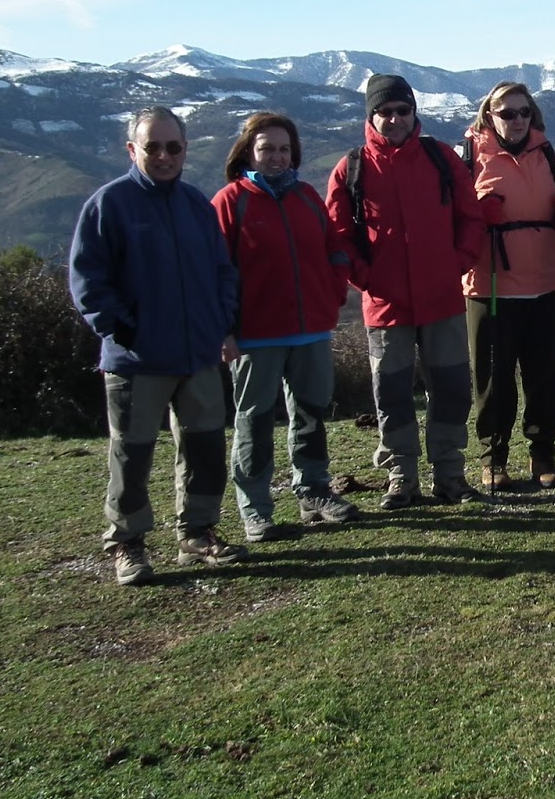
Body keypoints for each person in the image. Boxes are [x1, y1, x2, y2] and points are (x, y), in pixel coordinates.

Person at [69, 106, 246, 585]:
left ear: (185, 149)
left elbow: (222, 271)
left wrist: (219, 323)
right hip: (137, 359)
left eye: (173, 147)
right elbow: (88, 280)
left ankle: (198, 533)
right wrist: (123, 331)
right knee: (132, 455)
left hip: (198, 355)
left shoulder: (195, 205)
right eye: (153, 147)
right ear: (133, 149)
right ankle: (127, 543)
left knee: (205, 448)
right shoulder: (109, 204)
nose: (164, 156)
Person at [326, 74, 487, 509]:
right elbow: (338, 237)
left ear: (414, 113)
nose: (395, 119)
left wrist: (457, 263)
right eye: (385, 111)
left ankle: (450, 476)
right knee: (392, 395)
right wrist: (368, 280)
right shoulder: (352, 168)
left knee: (451, 389)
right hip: (386, 305)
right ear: (371, 116)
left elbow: (471, 218)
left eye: (403, 110)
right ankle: (402, 478)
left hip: (441, 299)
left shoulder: (440, 158)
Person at [211, 112, 361, 542]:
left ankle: (314, 491)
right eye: (267, 149)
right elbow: (214, 271)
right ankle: (255, 509)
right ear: (248, 152)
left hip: (311, 329)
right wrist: (224, 329)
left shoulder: (307, 197)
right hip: (255, 336)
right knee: (254, 423)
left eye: (284, 149)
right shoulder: (230, 201)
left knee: (311, 415)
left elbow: (334, 249)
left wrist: (332, 292)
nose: (276, 157)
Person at [460, 82, 555, 491]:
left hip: (542, 278)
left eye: (524, 112)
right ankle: (493, 458)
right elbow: (452, 214)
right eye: (507, 113)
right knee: (494, 377)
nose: (517, 120)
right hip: (489, 283)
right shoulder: (470, 155)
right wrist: (478, 215)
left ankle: (542, 453)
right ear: (489, 115)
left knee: (544, 374)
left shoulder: (544, 152)